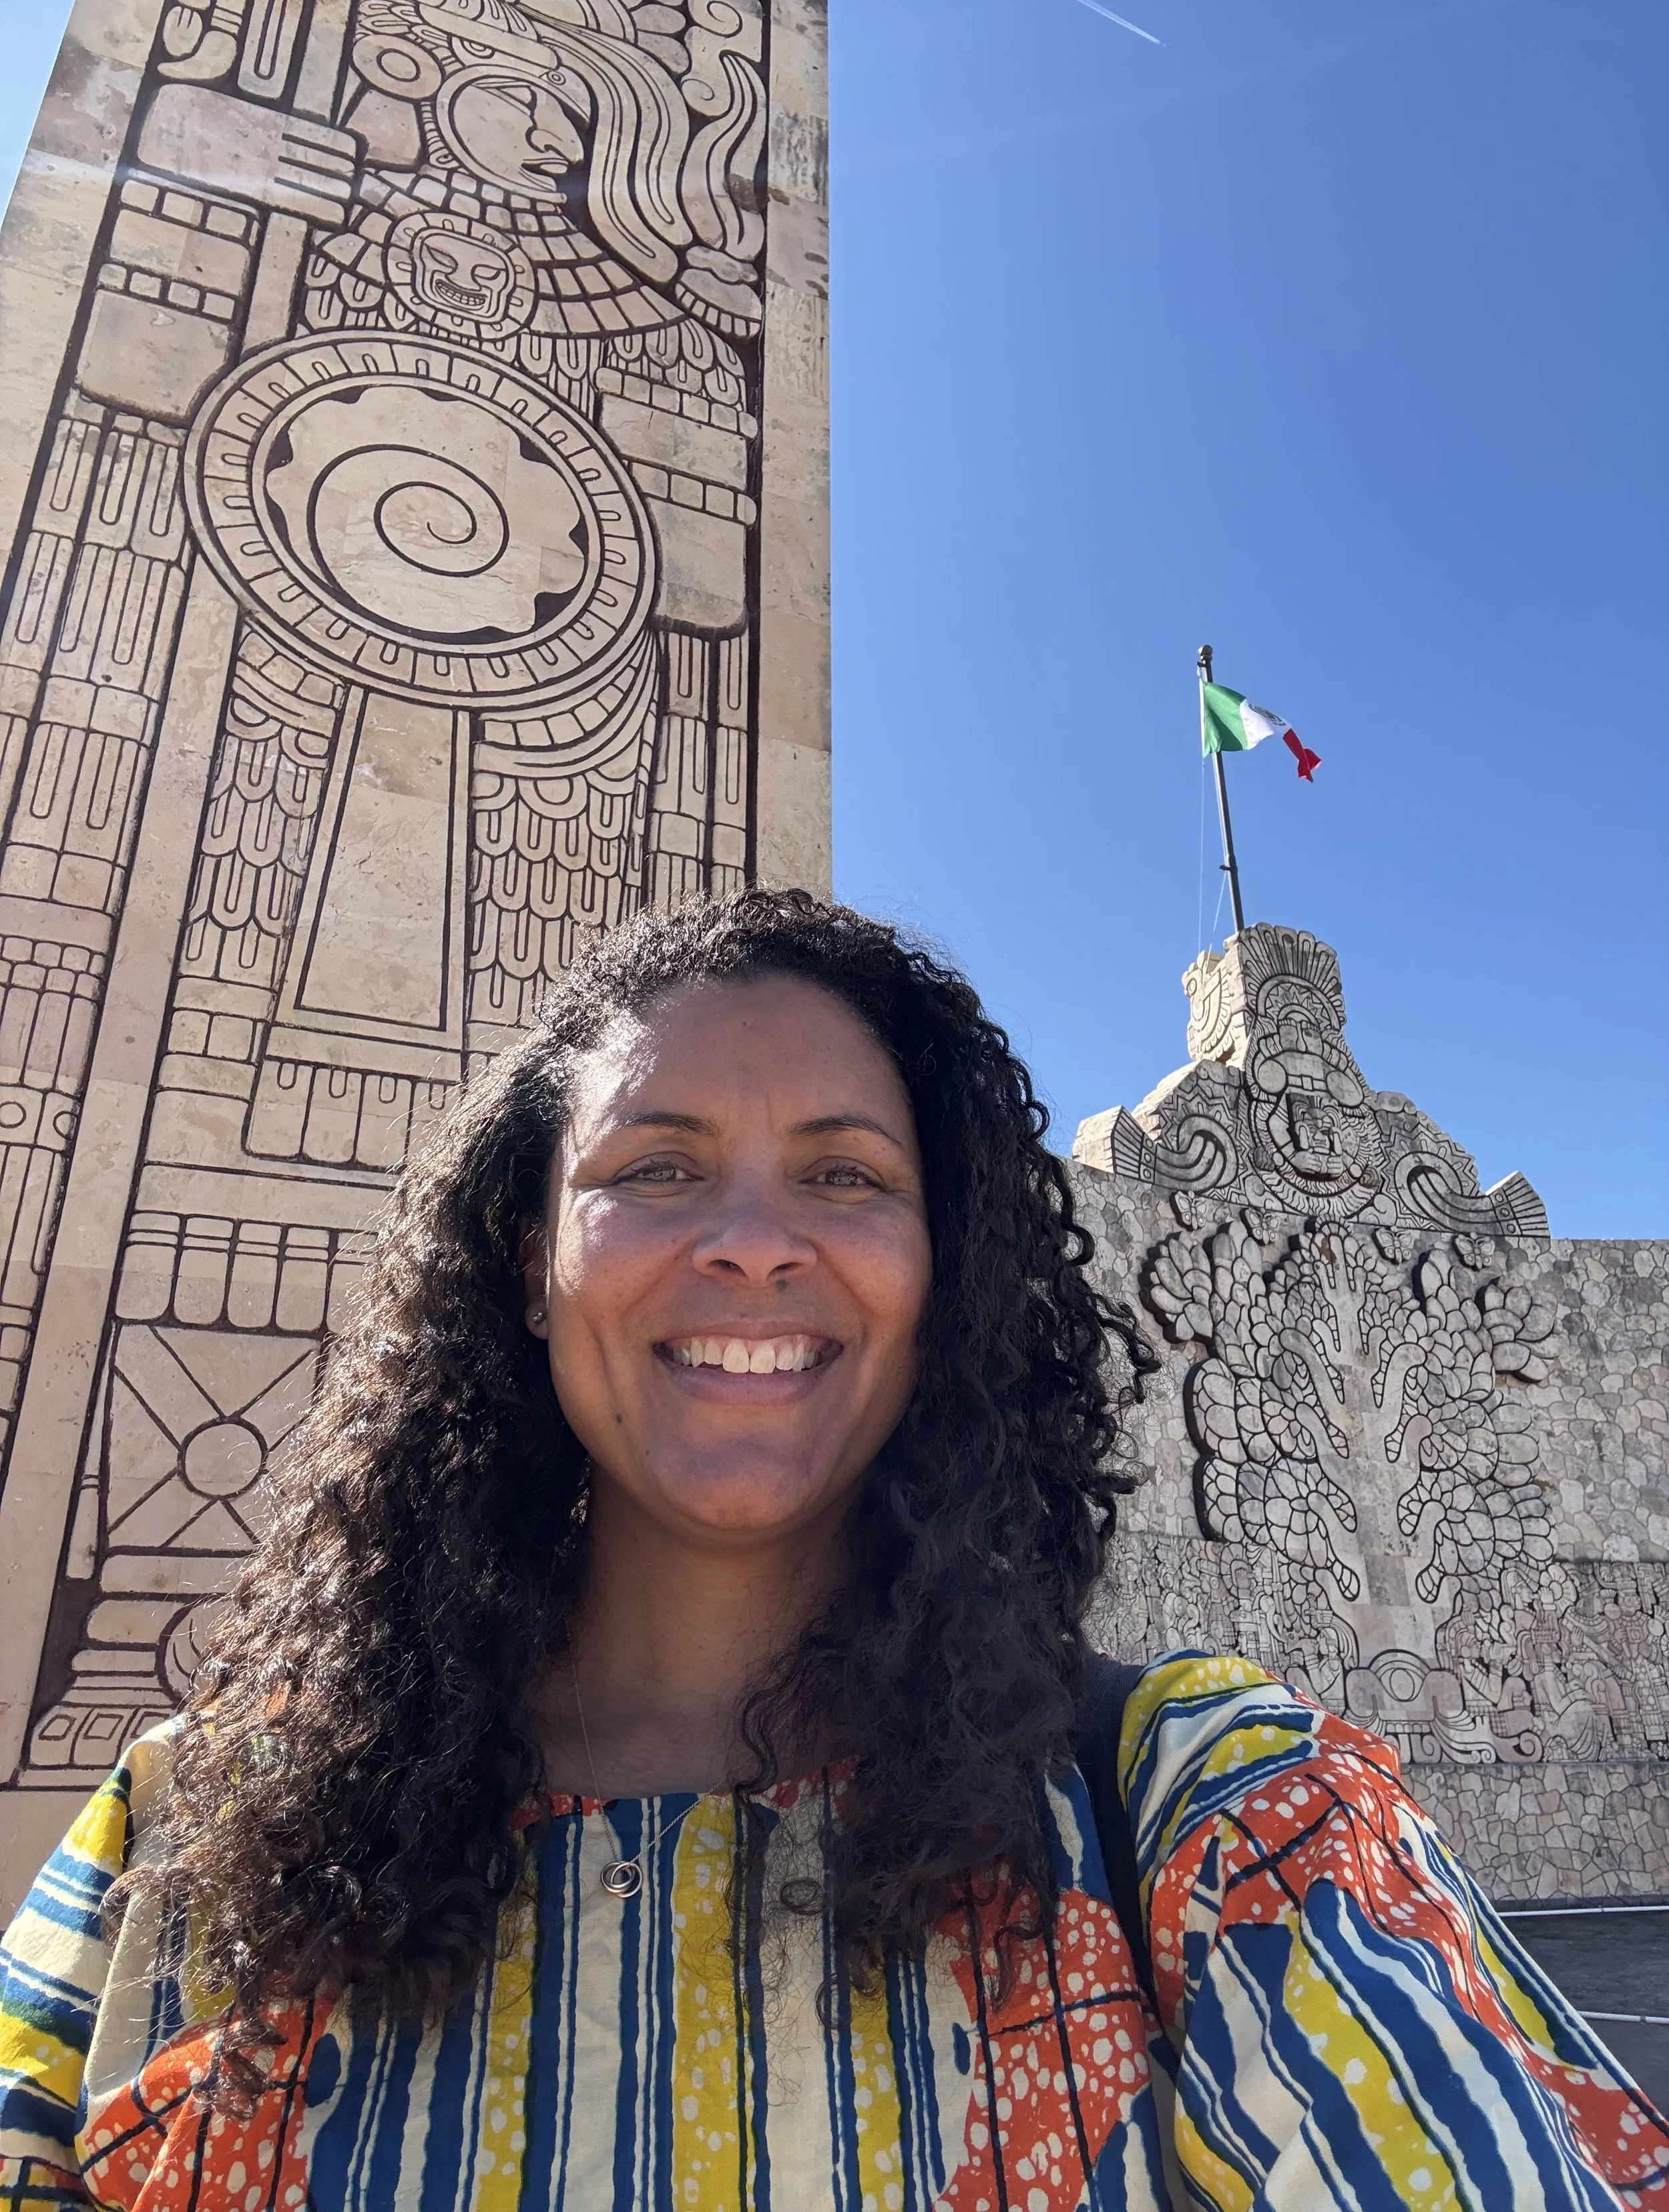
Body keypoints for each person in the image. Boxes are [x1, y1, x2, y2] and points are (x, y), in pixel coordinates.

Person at [1, 891, 1663, 2211]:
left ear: (941, 1275)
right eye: (656, 1168)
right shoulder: (191, 1842)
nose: (747, 1243)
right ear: (526, 1267)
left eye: (842, 1175)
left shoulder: (1217, 1823)